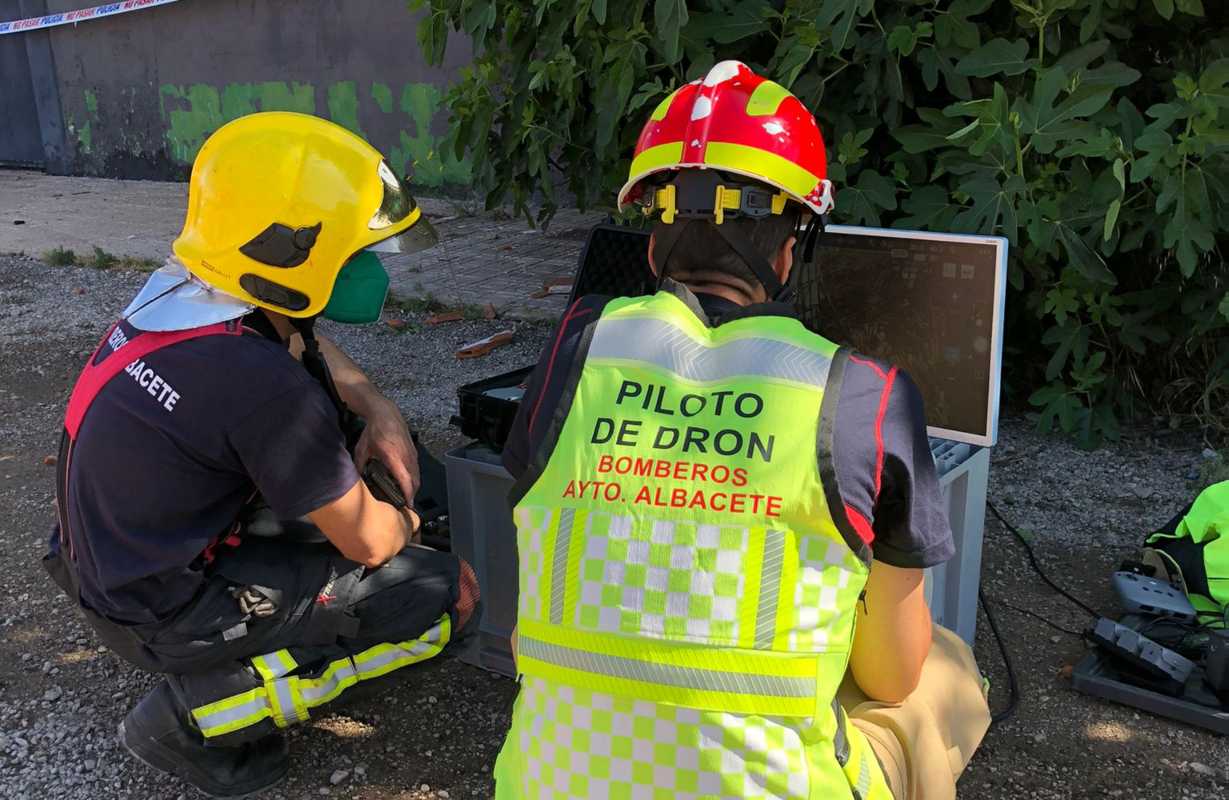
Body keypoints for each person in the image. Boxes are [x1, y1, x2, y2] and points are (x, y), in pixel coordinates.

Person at [493, 61, 989, 799]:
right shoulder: (865, 395)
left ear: (654, 244)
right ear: (791, 247)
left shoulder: (575, 350)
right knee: (939, 665)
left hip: (548, 782)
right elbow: (890, 673)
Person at [46, 112, 478, 798]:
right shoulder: (260, 390)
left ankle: (232, 646)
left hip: (108, 561)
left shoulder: (184, 291)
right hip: (159, 607)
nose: (365, 269)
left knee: (382, 462)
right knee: (444, 595)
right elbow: (369, 541)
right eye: (350, 250)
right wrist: (408, 526)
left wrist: (380, 411)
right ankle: (197, 716)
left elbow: (302, 345)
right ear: (297, 253)